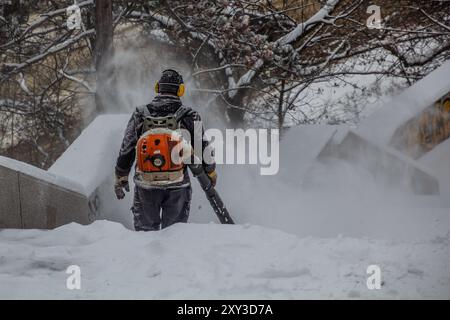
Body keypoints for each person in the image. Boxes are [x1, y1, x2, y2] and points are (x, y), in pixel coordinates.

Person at [114, 69, 216, 231]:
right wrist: (210, 172)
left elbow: (127, 148)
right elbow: (203, 151)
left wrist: (121, 175)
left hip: (145, 184)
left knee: (144, 236)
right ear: (180, 90)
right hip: (178, 184)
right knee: (175, 236)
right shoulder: (190, 115)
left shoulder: (140, 114)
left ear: (157, 88)